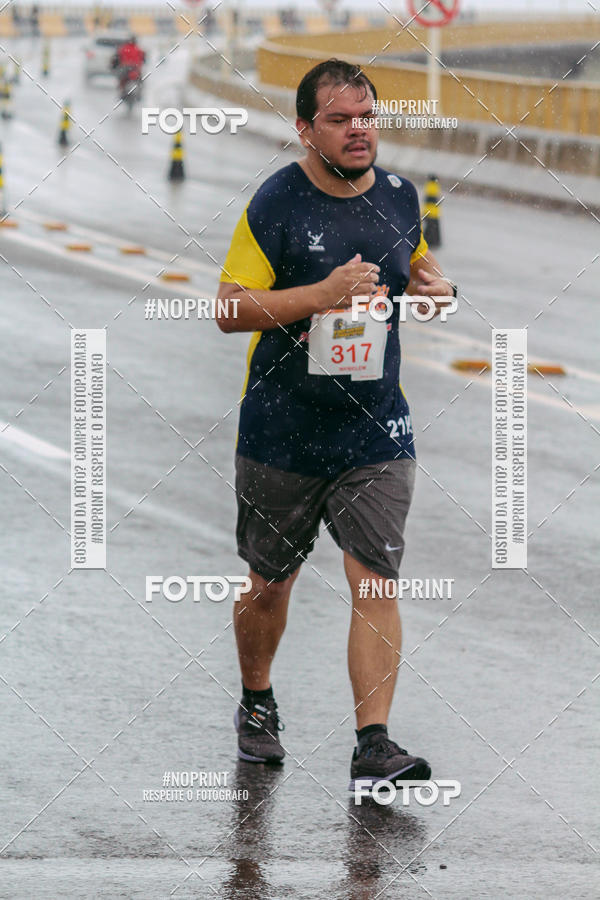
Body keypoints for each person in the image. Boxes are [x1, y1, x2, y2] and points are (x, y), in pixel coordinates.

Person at [217, 59, 456, 792]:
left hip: (375, 429)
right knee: (269, 586)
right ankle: (257, 701)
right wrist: (319, 294)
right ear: (305, 128)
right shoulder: (275, 205)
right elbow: (229, 308)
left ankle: (373, 743)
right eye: (341, 119)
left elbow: (414, 262)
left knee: (376, 581)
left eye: (368, 116)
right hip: (282, 430)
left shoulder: (398, 196)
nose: (360, 130)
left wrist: (435, 283)